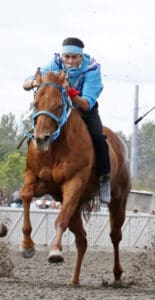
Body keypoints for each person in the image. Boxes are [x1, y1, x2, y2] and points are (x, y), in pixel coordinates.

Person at [23, 37, 111, 204]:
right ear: (62, 56)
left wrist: (70, 92)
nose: (69, 61)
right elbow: (26, 83)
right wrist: (36, 82)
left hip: (83, 108)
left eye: (74, 57)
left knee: (98, 137)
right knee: (37, 130)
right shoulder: (55, 63)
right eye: (67, 57)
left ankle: (104, 178)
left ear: (80, 57)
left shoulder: (92, 69)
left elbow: (86, 103)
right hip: (58, 109)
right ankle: (33, 168)